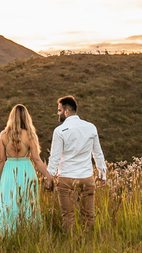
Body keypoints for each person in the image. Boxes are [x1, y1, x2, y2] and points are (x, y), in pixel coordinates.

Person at [0, 104, 51, 235]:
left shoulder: (3, 135)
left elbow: (0, 159)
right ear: (26, 118)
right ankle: (28, 233)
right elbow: (37, 159)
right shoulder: (31, 135)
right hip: (26, 171)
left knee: (8, 204)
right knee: (28, 204)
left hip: (9, 172)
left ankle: (8, 233)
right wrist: (47, 176)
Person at [45, 95, 106, 233]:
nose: (58, 113)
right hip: (86, 177)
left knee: (68, 216)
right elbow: (97, 153)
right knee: (89, 215)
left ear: (67, 112)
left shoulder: (59, 131)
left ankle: (71, 244)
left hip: (66, 178)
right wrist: (102, 174)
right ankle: (89, 243)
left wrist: (49, 177)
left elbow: (54, 158)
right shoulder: (91, 127)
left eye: (59, 111)